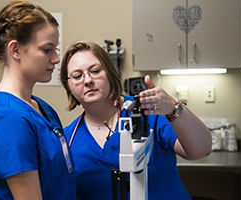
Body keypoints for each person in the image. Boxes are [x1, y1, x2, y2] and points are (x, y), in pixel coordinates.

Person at [60, 40, 212, 200]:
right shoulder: (67, 140)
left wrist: (173, 108)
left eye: (95, 71)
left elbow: (201, 150)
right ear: (68, 85)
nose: (87, 80)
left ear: (110, 73)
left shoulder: (147, 111)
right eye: (77, 76)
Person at [0, 1, 76, 199]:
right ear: (15, 50)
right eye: (47, 49)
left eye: (55, 49)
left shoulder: (40, 107)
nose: (56, 58)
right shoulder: (7, 119)